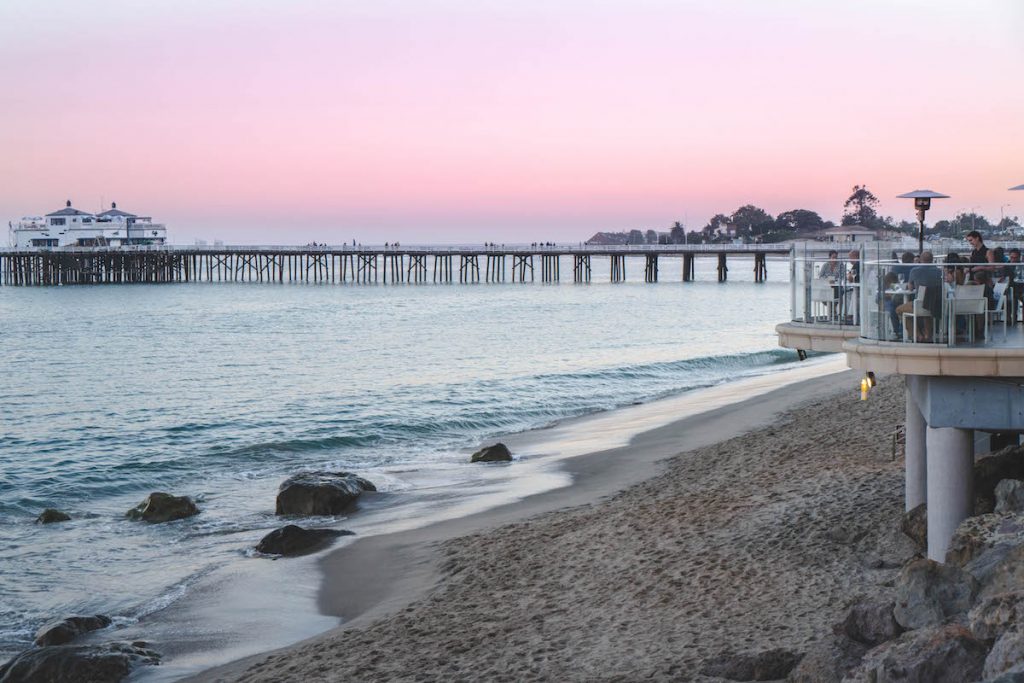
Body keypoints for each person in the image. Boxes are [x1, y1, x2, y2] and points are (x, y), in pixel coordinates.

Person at [895, 251, 942, 341]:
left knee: (899, 309)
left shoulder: (915, 271)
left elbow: (910, 288)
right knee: (926, 313)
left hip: (920, 304)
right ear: (932, 260)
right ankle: (927, 335)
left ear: (920, 260)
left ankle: (916, 334)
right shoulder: (939, 271)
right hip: (935, 304)